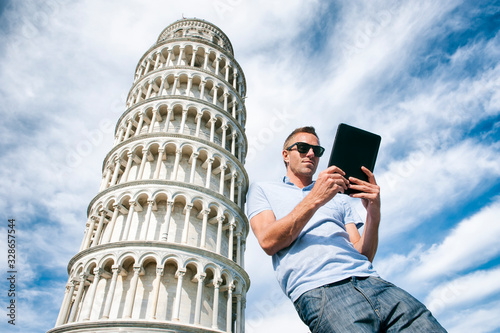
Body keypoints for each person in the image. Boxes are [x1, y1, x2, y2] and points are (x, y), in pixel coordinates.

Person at [246, 126, 446, 332]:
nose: (312, 154)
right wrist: (315, 197)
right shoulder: (263, 189)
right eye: (304, 148)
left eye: (317, 150)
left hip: (376, 283)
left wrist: (373, 213)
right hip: (324, 291)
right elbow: (268, 241)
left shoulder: (338, 197)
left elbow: (363, 254)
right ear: (286, 155)